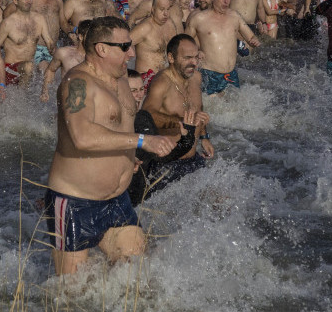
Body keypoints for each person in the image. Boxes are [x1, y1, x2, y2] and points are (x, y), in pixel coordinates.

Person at [43, 16, 176, 275]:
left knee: (137, 279)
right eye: (125, 46)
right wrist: (142, 141)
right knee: (71, 295)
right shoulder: (78, 83)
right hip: (75, 202)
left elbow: (120, 127)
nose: (132, 53)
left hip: (117, 200)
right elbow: (82, 137)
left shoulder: (122, 79)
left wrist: (131, 154)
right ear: (102, 49)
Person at [129, 34, 212, 205]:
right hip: (168, 163)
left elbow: (198, 109)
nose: (194, 63)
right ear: (171, 58)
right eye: (187, 58)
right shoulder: (162, 82)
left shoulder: (196, 78)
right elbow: (146, 115)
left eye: (196, 57)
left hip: (193, 158)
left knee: (212, 204)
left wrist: (204, 136)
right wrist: (182, 122)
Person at [185, 0, 260, 95]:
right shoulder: (198, 18)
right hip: (209, 73)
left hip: (231, 74)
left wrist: (254, 40)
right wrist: (197, 51)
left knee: (235, 109)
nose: (226, 1)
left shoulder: (235, 16)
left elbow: (250, 36)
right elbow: (184, 43)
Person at [0, 0, 53, 86]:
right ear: (15, 1)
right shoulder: (8, 23)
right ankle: (24, 100)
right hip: (10, 68)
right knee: (28, 66)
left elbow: (49, 41)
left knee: (46, 65)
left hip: (29, 68)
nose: (29, 1)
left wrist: (55, 53)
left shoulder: (39, 19)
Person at [40, 19, 90, 103]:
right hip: (67, 99)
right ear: (80, 37)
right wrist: (45, 91)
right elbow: (51, 70)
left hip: (88, 99)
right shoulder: (64, 53)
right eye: (90, 36)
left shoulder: (97, 57)